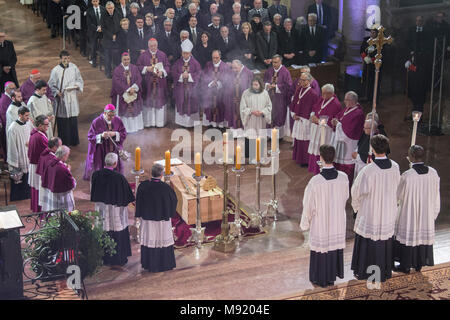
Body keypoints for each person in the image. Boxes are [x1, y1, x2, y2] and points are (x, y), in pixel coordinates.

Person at [351, 134, 400, 282]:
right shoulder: (395, 167)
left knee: (369, 241)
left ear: (372, 149)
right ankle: (383, 271)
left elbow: (356, 191)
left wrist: (357, 207)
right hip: (388, 212)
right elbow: (398, 189)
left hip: (371, 212)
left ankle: (365, 272)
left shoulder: (368, 170)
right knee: (384, 242)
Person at [300, 144, 348, 288]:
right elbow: (346, 197)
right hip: (337, 221)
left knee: (322, 248)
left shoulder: (316, 182)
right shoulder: (343, 177)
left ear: (320, 158)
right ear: (334, 158)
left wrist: (305, 223)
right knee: (333, 246)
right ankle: (331, 276)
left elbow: (308, 205)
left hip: (321, 222)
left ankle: (320, 278)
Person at [394, 145, 441, 274]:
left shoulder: (408, 176)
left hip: (410, 213)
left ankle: (405, 265)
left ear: (411, 157)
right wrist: (434, 211)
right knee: (421, 237)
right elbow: (436, 194)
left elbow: (398, 195)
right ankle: (419, 263)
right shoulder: (433, 172)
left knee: (410, 236)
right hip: (426, 212)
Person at [91, 152, 135, 266]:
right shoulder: (119, 178)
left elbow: (93, 192)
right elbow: (128, 196)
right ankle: (118, 259)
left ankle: (103, 258)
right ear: (115, 164)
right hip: (116, 211)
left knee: (103, 228)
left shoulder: (95, 175)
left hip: (101, 209)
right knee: (117, 228)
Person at [135, 164, 177, 273]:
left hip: (148, 221)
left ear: (151, 173)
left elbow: (138, 201)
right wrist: (168, 213)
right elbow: (173, 202)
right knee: (162, 240)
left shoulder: (143, 186)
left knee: (150, 239)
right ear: (162, 174)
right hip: (162, 221)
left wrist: (140, 214)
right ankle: (164, 264)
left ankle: (149, 264)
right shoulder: (166, 188)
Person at [48, 50, 84, 147]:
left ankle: (74, 140)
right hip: (62, 98)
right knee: (63, 122)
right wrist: (56, 92)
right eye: (64, 58)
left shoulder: (74, 67)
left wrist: (77, 86)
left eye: (68, 58)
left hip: (72, 96)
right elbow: (51, 85)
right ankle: (64, 142)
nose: (66, 60)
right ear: (60, 59)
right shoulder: (55, 70)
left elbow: (79, 79)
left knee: (72, 119)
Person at [84, 104, 127, 180]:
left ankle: (115, 177)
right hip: (102, 150)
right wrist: (101, 136)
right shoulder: (96, 122)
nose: (112, 118)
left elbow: (123, 133)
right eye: (110, 116)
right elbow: (90, 137)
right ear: (104, 113)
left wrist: (115, 134)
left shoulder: (117, 120)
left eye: (113, 115)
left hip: (114, 148)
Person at [331, 91, 365, 185]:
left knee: (346, 165)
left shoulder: (358, 113)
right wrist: (335, 121)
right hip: (341, 142)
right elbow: (339, 116)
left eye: (346, 100)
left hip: (350, 142)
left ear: (353, 101)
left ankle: (346, 183)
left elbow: (350, 130)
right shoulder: (347, 109)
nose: (344, 101)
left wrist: (338, 124)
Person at [307, 84, 341, 174]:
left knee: (322, 150)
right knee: (315, 149)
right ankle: (314, 168)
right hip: (317, 130)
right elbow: (315, 108)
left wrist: (318, 120)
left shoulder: (336, 104)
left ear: (330, 93)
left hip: (325, 132)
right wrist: (312, 115)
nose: (322, 95)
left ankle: (321, 170)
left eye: (324, 93)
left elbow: (331, 122)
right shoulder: (323, 99)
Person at [137, 38, 170, 128]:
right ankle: (149, 122)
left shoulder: (162, 55)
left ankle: (160, 122)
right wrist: (146, 68)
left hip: (160, 82)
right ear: (148, 46)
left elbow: (167, 66)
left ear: (157, 45)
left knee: (159, 100)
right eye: (151, 46)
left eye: (154, 45)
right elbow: (138, 66)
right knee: (148, 101)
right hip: (147, 83)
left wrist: (162, 72)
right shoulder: (143, 55)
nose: (153, 47)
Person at [290, 72, 320, 167]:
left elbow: (314, 109)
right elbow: (294, 102)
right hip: (298, 119)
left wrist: (303, 117)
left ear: (309, 81)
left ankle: (305, 161)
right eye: (300, 80)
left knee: (305, 141)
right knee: (298, 140)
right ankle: (297, 158)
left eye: (303, 80)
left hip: (306, 121)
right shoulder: (299, 90)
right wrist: (293, 114)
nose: (301, 82)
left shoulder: (313, 93)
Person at [171, 39, 202, 127]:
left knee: (191, 103)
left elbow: (199, 74)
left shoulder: (195, 63)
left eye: (187, 53)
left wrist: (189, 76)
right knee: (181, 102)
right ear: (181, 53)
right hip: (181, 89)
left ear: (190, 53)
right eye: (184, 53)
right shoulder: (178, 63)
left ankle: (191, 123)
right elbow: (173, 73)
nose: (185, 55)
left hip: (191, 88)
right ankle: (182, 123)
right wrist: (181, 76)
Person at [111, 52, 144, 133]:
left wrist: (134, 88)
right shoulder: (117, 70)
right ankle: (124, 128)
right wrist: (128, 89)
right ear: (121, 60)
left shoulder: (134, 68)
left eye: (128, 59)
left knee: (134, 109)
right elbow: (116, 82)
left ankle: (135, 127)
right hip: (123, 94)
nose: (126, 61)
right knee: (124, 111)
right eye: (124, 59)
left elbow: (139, 78)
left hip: (134, 92)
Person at [240, 76, 272, 159]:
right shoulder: (246, 93)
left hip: (261, 119)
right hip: (251, 119)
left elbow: (269, 106)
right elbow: (243, 107)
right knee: (250, 135)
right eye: (253, 85)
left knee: (260, 136)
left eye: (256, 85)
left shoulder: (265, 93)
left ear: (260, 85)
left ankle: (259, 154)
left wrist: (262, 112)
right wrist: (251, 111)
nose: (254, 86)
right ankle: (249, 155)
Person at [7, 106, 32, 201]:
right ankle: (18, 198)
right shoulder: (13, 128)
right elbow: (11, 146)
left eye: (28, 115)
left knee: (28, 177)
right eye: (26, 116)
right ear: (20, 115)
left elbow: (32, 133)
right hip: (20, 156)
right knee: (19, 178)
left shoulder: (28, 123)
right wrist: (14, 162)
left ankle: (27, 195)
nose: (28, 118)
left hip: (27, 154)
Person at [264, 55, 292, 139]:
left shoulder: (285, 72)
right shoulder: (269, 71)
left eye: (276, 62)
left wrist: (276, 87)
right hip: (269, 98)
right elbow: (264, 81)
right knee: (270, 115)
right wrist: (267, 85)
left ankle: (278, 137)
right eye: (273, 62)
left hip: (280, 99)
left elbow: (288, 86)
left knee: (279, 116)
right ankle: (269, 135)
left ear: (280, 62)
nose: (274, 64)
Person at [41, 145, 76, 212]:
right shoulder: (62, 168)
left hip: (51, 194)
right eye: (67, 155)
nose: (67, 157)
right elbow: (71, 184)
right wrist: (68, 170)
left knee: (53, 213)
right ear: (63, 155)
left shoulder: (49, 163)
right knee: (62, 214)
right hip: (61, 197)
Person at [202, 50, 230, 128]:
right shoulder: (208, 64)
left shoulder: (225, 66)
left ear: (220, 57)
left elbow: (228, 79)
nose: (215, 60)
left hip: (221, 93)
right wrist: (211, 83)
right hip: (210, 92)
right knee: (210, 108)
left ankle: (220, 126)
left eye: (217, 58)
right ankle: (211, 124)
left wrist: (218, 83)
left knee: (220, 108)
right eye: (213, 58)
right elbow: (204, 76)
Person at [28, 115, 50, 212]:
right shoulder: (39, 137)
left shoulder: (37, 134)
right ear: (40, 125)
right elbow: (47, 151)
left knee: (37, 188)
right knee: (40, 188)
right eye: (46, 125)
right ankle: (40, 209)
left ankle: (36, 208)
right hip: (38, 166)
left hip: (36, 165)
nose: (47, 127)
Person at [226, 60, 253, 137]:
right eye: (233, 68)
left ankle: (242, 134)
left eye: (236, 68)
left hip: (243, 101)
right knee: (234, 115)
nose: (234, 70)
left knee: (242, 117)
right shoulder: (233, 72)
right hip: (234, 99)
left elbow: (250, 89)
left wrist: (242, 99)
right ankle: (235, 134)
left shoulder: (248, 73)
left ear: (241, 66)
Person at [36, 137, 62, 209]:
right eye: (60, 146)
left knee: (46, 204)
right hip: (48, 184)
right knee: (49, 205)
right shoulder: (50, 158)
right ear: (54, 147)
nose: (61, 148)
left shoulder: (45, 153)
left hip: (45, 181)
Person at [360, 25, 383, 103]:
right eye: (371, 32)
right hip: (366, 65)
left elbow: (381, 54)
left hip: (375, 66)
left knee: (374, 82)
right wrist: (365, 57)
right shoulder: (366, 40)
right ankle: (365, 96)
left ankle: (374, 99)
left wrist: (372, 59)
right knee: (366, 81)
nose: (372, 34)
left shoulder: (380, 42)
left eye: (374, 33)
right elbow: (362, 51)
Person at [101, 1, 121, 79]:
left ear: (114, 7)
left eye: (111, 8)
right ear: (106, 8)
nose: (110, 10)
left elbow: (120, 24)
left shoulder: (118, 13)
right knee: (108, 57)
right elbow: (103, 28)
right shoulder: (103, 15)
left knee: (116, 57)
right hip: (107, 40)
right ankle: (108, 72)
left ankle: (117, 73)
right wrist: (111, 35)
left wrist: (116, 35)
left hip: (117, 38)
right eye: (108, 8)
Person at [87, 0, 107, 68]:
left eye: (96, 1)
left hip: (103, 31)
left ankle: (103, 61)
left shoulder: (103, 9)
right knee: (94, 46)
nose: (95, 2)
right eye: (94, 1)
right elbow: (89, 23)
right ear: (92, 2)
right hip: (93, 31)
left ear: (99, 1)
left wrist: (102, 28)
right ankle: (94, 61)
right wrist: (97, 28)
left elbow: (105, 19)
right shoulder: (89, 11)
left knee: (104, 45)